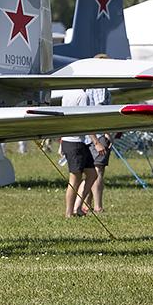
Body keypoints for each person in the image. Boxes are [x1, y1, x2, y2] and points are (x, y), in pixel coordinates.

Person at [60, 88, 103, 218]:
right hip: (75, 142)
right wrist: (96, 142)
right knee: (74, 179)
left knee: (92, 174)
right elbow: (86, 121)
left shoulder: (66, 93)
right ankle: (69, 213)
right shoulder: (83, 96)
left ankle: (77, 207)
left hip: (76, 141)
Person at [84, 60, 113, 213]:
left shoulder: (87, 85)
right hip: (98, 133)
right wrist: (107, 134)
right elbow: (102, 111)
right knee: (98, 171)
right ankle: (98, 206)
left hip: (88, 134)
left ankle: (86, 204)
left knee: (89, 170)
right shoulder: (100, 86)